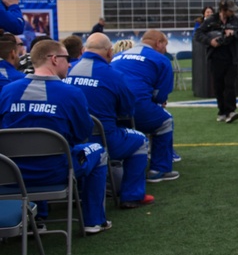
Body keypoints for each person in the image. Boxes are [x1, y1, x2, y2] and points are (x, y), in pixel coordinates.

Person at [0, 39, 112, 234]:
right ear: (53, 59)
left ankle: (38, 217)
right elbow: (82, 134)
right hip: (55, 172)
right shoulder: (71, 94)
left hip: (11, 175)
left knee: (32, 152)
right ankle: (94, 221)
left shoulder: (8, 92)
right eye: (66, 58)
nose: (69, 63)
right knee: (98, 151)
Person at [68, 33, 154, 209]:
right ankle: (132, 195)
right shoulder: (114, 75)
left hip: (71, 141)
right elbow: (127, 111)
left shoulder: (67, 70)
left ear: (84, 50)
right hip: (104, 138)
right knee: (140, 140)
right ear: (109, 52)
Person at [111, 30, 179, 182]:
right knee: (165, 121)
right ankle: (159, 169)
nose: (165, 50)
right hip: (137, 106)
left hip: (111, 108)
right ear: (158, 43)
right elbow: (160, 96)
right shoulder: (161, 60)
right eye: (165, 45)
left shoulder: (117, 57)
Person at [194, 0, 238, 124]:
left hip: (232, 57)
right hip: (216, 57)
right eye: (230, 10)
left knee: (230, 84)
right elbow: (198, 34)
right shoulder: (211, 20)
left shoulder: (235, 20)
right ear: (223, 10)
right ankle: (222, 111)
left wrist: (234, 33)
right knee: (219, 86)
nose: (233, 13)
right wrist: (210, 41)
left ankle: (231, 111)